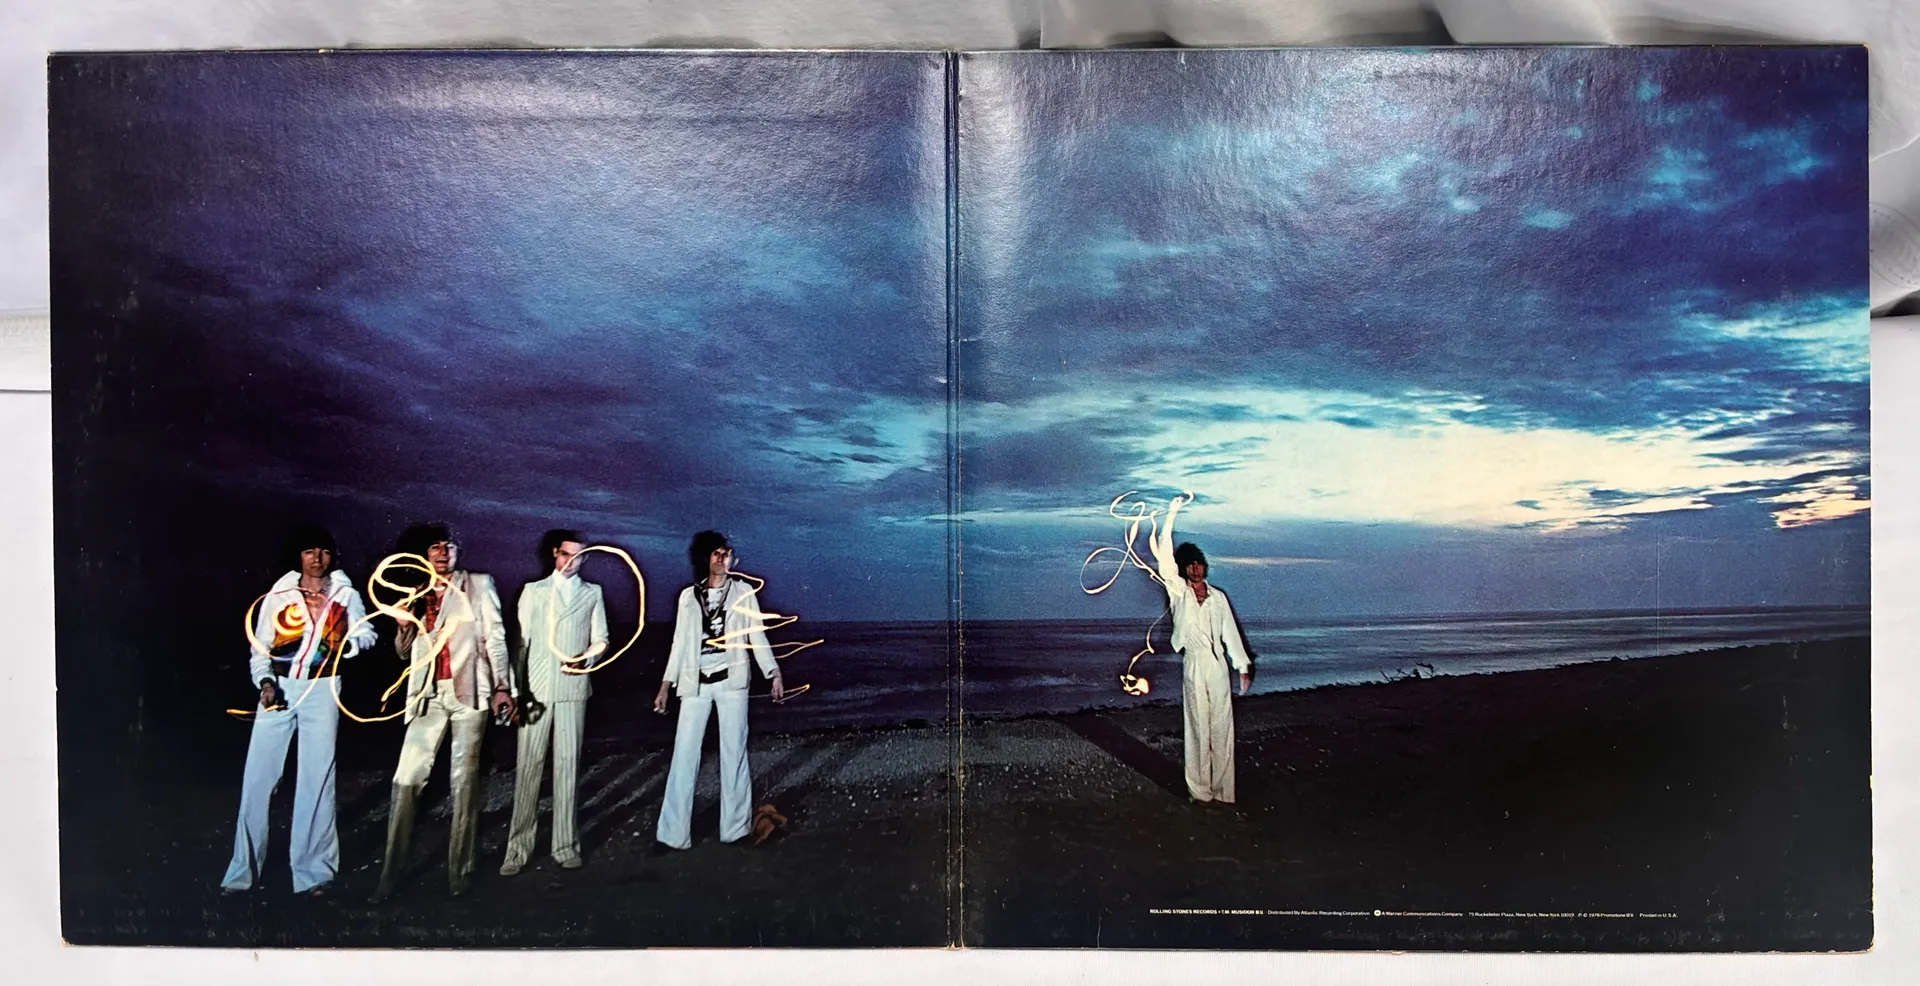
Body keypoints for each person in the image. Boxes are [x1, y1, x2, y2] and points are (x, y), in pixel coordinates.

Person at [220, 524, 377, 897]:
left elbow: (367, 634)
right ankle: (241, 876)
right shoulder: (280, 595)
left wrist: (346, 646)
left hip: (323, 689)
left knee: (317, 780)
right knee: (258, 780)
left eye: (323, 551)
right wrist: (265, 684)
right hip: (281, 689)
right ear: (299, 556)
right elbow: (261, 647)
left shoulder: (346, 594)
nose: (317, 558)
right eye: (309, 552)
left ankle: (314, 874)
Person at [370, 522, 514, 902]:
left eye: (448, 546)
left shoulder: (478, 584)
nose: (442, 553)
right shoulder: (415, 591)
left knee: (464, 784)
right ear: (422, 554)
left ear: (456, 551)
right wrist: (402, 625)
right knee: (406, 780)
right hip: (428, 695)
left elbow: (495, 638)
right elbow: (404, 652)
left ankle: (459, 875)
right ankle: (389, 877)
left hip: (470, 693)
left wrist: (503, 686)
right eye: (434, 547)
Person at [652, 531, 785, 850]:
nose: (722, 559)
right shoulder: (688, 597)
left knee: (734, 753)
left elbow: (757, 635)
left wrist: (774, 672)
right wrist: (665, 685)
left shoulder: (744, 591)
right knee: (684, 755)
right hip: (695, 684)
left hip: (732, 683)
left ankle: (735, 830)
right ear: (706, 558)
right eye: (716, 553)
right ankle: (672, 836)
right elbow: (679, 644)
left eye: (726, 553)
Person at [501, 529, 608, 876]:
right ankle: (517, 849)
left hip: (573, 690)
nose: (570, 561)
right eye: (565, 554)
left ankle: (565, 846)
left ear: (585, 558)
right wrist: (515, 692)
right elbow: (520, 645)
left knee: (568, 766)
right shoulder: (534, 591)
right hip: (535, 691)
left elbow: (601, 639)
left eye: (578, 556)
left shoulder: (593, 593)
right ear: (554, 554)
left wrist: (586, 659)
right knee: (528, 767)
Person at [1151, 498, 1254, 804]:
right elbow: (1164, 555)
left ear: (1205, 566)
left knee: (1222, 728)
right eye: (1190, 564)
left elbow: (1230, 633)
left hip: (1217, 665)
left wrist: (1242, 666)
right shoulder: (1178, 592)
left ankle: (1224, 793)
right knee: (1198, 728)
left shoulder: (1218, 597)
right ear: (1184, 568)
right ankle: (1199, 792)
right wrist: (1171, 513)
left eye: (1199, 563)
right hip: (1194, 663)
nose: (1196, 568)